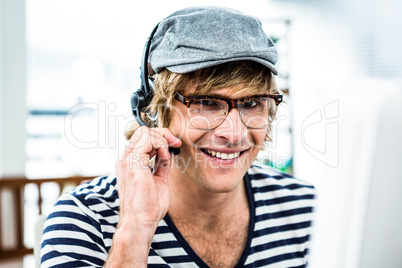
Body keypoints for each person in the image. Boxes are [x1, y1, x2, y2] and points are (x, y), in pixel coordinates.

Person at [40, 6, 316, 268]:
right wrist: (135, 228)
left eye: (252, 103)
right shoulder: (84, 219)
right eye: (206, 103)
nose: (233, 134)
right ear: (155, 109)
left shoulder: (305, 207)